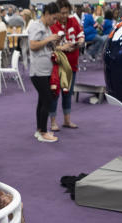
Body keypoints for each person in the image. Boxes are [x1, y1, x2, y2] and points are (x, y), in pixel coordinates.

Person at [28, 3, 63, 142]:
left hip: (46, 70)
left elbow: (46, 47)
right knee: (48, 100)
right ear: (47, 13)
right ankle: (43, 132)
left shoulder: (47, 28)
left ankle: (39, 130)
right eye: (53, 18)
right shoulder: (36, 26)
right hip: (38, 71)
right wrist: (49, 39)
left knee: (42, 101)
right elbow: (33, 45)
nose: (55, 22)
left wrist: (56, 43)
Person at [48, 0, 84, 131]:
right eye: (62, 13)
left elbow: (81, 35)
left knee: (68, 93)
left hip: (72, 64)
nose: (64, 16)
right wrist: (63, 47)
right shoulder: (52, 25)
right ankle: (52, 121)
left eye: (66, 13)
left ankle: (67, 120)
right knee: (55, 93)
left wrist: (79, 42)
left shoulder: (73, 21)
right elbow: (50, 46)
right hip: (57, 64)